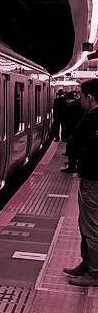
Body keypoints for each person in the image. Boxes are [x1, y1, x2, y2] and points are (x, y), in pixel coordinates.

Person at [62, 79, 98, 286]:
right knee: (87, 223)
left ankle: (94, 271)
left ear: (89, 97)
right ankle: (86, 263)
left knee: (91, 225)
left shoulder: (92, 118)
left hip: (92, 179)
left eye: (82, 96)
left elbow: (74, 142)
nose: (80, 100)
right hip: (93, 177)